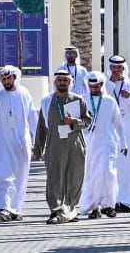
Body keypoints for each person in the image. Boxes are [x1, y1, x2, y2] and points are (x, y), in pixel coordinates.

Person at [33, 68, 92, 224]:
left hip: (75, 146)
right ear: (55, 82)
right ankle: (56, 210)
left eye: (65, 80)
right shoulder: (47, 101)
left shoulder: (78, 100)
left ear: (70, 82)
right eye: (60, 80)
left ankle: (70, 209)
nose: (62, 83)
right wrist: (38, 147)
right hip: (54, 146)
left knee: (74, 179)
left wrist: (74, 122)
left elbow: (88, 121)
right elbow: (41, 127)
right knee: (54, 179)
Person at [0, 66, 36, 222]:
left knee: (21, 177)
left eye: (8, 78)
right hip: (4, 143)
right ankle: (1, 207)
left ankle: (14, 208)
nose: (6, 81)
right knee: (4, 175)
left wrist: (36, 140)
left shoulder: (24, 93)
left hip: (22, 143)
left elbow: (32, 116)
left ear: (15, 78)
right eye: (3, 79)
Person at [78, 72, 127, 218]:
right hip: (89, 144)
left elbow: (118, 124)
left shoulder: (110, 101)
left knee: (108, 174)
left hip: (107, 143)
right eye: (91, 86)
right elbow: (76, 121)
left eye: (96, 86)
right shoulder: (83, 100)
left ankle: (110, 205)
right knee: (93, 176)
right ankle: (95, 207)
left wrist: (123, 143)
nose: (94, 89)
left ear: (101, 85)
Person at [105, 55, 130, 211]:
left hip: (128, 131)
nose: (116, 71)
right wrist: (111, 85)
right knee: (111, 166)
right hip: (110, 131)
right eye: (113, 68)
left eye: (119, 68)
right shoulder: (105, 86)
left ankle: (126, 199)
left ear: (124, 68)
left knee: (127, 167)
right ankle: (111, 200)